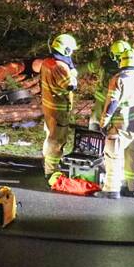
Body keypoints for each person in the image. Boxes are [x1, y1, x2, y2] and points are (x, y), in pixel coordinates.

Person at [100, 49, 134, 199]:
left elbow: (112, 103)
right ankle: (130, 186)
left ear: (122, 61)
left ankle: (111, 190)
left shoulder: (118, 79)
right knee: (131, 156)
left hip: (120, 126)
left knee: (113, 156)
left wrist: (104, 121)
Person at [40, 34, 79, 177]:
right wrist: (73, 75)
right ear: (67, 50)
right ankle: (51, 171)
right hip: (59, 109)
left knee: (50, 136)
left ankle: (47, 163)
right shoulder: (60, 66)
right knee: (57, 140)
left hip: (48, 106)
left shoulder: (47, 62)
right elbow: (70, 85)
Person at [90, 40, 131, 131]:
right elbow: (87, 67)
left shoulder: (128, 69)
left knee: (114, 130)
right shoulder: (105, 63)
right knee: (95, 126)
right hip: (104, 103)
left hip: (114, 104)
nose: (120, 60)